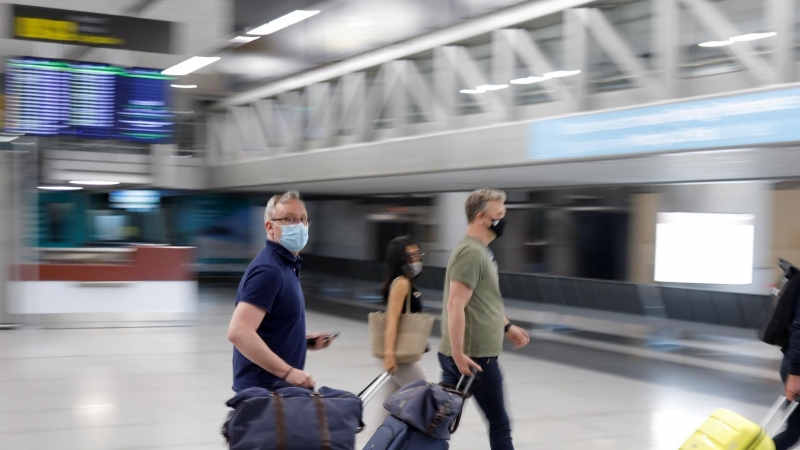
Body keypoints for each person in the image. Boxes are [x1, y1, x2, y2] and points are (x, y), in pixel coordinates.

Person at [439, 188, 531, 450]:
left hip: (472, 355)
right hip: (474, 358)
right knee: (498, 422)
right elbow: (455, 305)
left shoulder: (481, 251)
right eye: (499, 214)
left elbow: (483, 301)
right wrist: (458, 355)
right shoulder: (471, 253)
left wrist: (507, 326)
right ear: (482, 217)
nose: (504, 220)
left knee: (439, 421)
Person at [227, 190, 335, 392]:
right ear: (270, 227)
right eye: (290, 219)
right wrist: (288, 372)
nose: (300, 226)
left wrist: (301, 342)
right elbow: (239, 332)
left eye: (303, 220)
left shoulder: (286, 266)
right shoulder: (268, 271)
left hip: (278, 391)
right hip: (264, 394)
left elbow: (267, 329)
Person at [371, 236, 428, 421]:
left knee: (390, 409)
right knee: (425, 396)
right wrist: (388, 355)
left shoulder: (407, 282)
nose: (415, 260)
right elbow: (392, 320)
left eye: (417, 255)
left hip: (400, 354)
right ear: (399, 260)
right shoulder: (401, 283)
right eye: (409, 257)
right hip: (399, 355)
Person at [774, 287, 800, 449]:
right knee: (792, 431)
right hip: (796, 369)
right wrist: (796, 374)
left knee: (793, 431)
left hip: (794, 366)